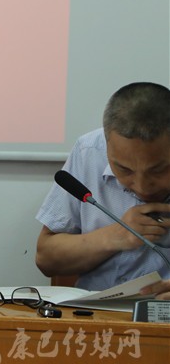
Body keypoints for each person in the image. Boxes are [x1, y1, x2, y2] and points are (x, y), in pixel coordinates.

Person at [35, 82, 170, 299]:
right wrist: (117, 235)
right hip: (95, 311)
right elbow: (46, 259)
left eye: (158, 170)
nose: (142, 186)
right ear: (106, 144)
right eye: (124, 169)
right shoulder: (89, 152)